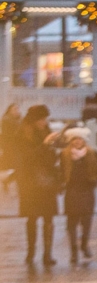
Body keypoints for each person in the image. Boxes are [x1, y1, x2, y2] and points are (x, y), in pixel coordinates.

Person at [16, 105, 60, 266]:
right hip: (31, 183)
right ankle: (31, 253)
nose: (44, 122)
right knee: (32, 218)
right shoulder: (22, 134)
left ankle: (47, 254)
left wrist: (54, 144)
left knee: (48, 218)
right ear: (34, 120)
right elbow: (27, 158)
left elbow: (51, 159)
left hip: (47, 182)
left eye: (45, 119)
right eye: (41, 119)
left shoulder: (46, 131)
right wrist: (45, 144)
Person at [60, 127, 97, 264]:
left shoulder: (92, 153)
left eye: (80, 139)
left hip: (87, 190)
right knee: (71, 222)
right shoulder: (64, 155)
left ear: (84, 140)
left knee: (86, 221)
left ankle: (84, 244)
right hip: (72, 190)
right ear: (70, 141)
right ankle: (74, 251)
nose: (77, 142)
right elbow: (61, 171)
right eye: (74, 139)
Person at [1, 103, 21, 191]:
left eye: (17, 109)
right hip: (11, 148)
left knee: (18, 167)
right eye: (15, 109)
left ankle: (7, 180)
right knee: (18, 166)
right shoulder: (7, 120)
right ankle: (8, 180)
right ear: (10, 110)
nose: (17, 111)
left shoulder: (15, 120)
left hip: (15, 147)